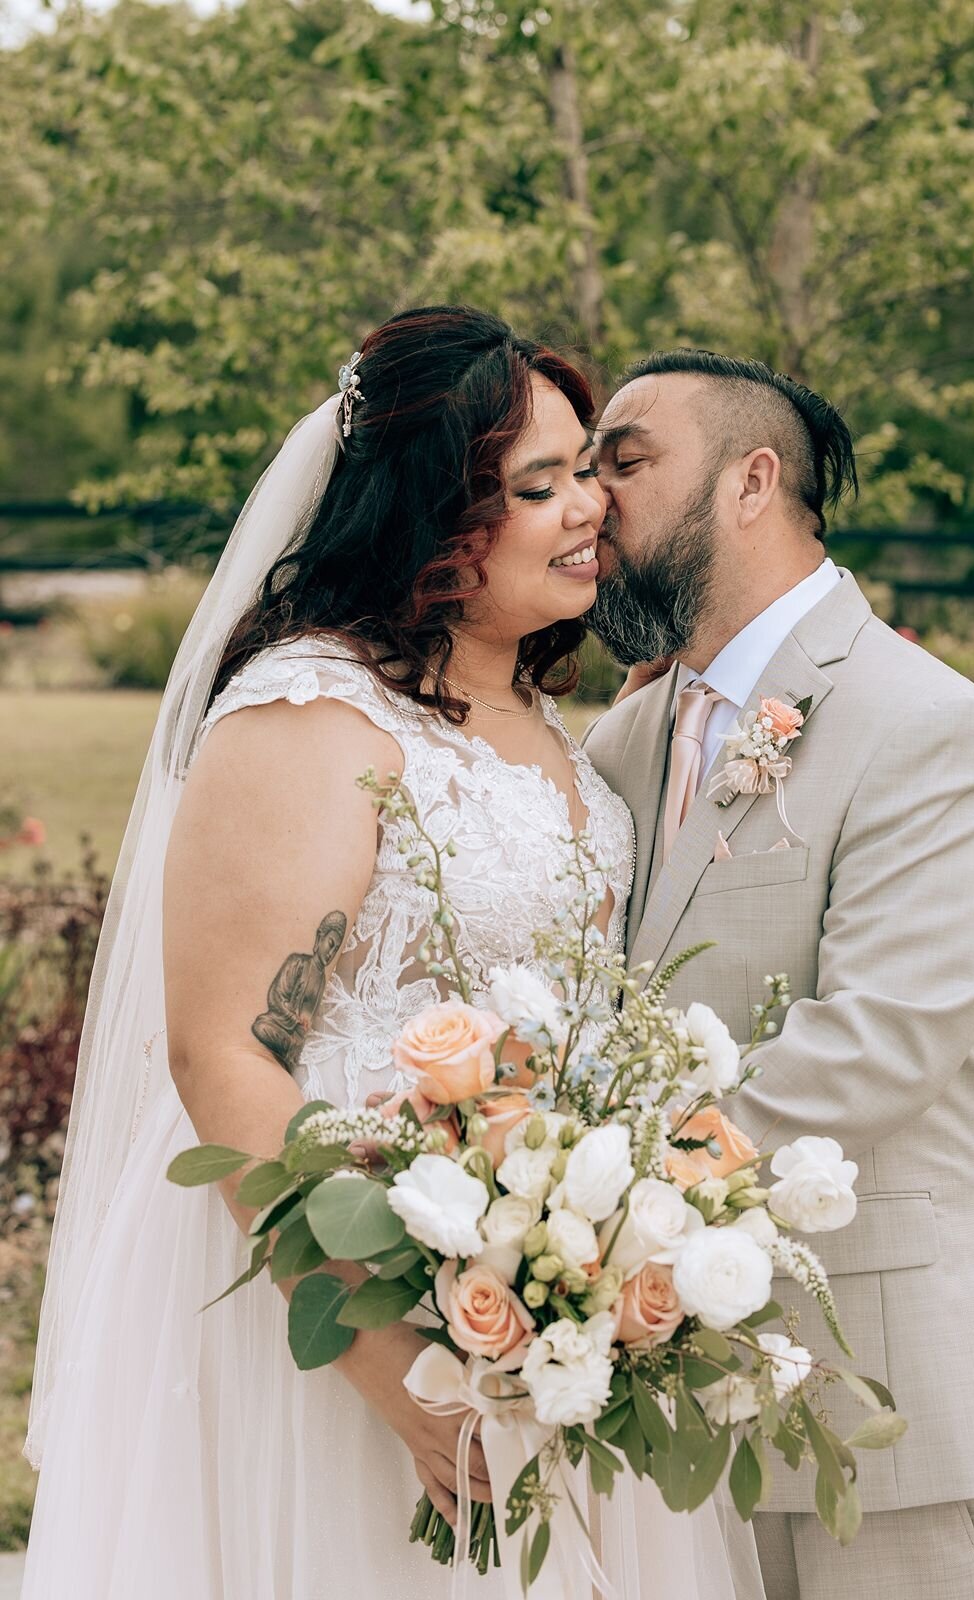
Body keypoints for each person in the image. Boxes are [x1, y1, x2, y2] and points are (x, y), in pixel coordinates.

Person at [20, 309, 761, 1598]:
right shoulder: (313, 713)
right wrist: (384, 1358)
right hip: (336, 1293)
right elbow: (224, 1054)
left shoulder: (538, 717)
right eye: (537, 485)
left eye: (586, 466)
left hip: (529, 1293)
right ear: (429, 520)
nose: (587, 505)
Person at [583, 349, 974, 1600]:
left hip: (868, 1392)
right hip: (662, 1399)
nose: (590, 498)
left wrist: (590, 1197)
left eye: (623, 460)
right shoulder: (627, 736)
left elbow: (882, 1039)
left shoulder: (926, 723)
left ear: (751, 481)